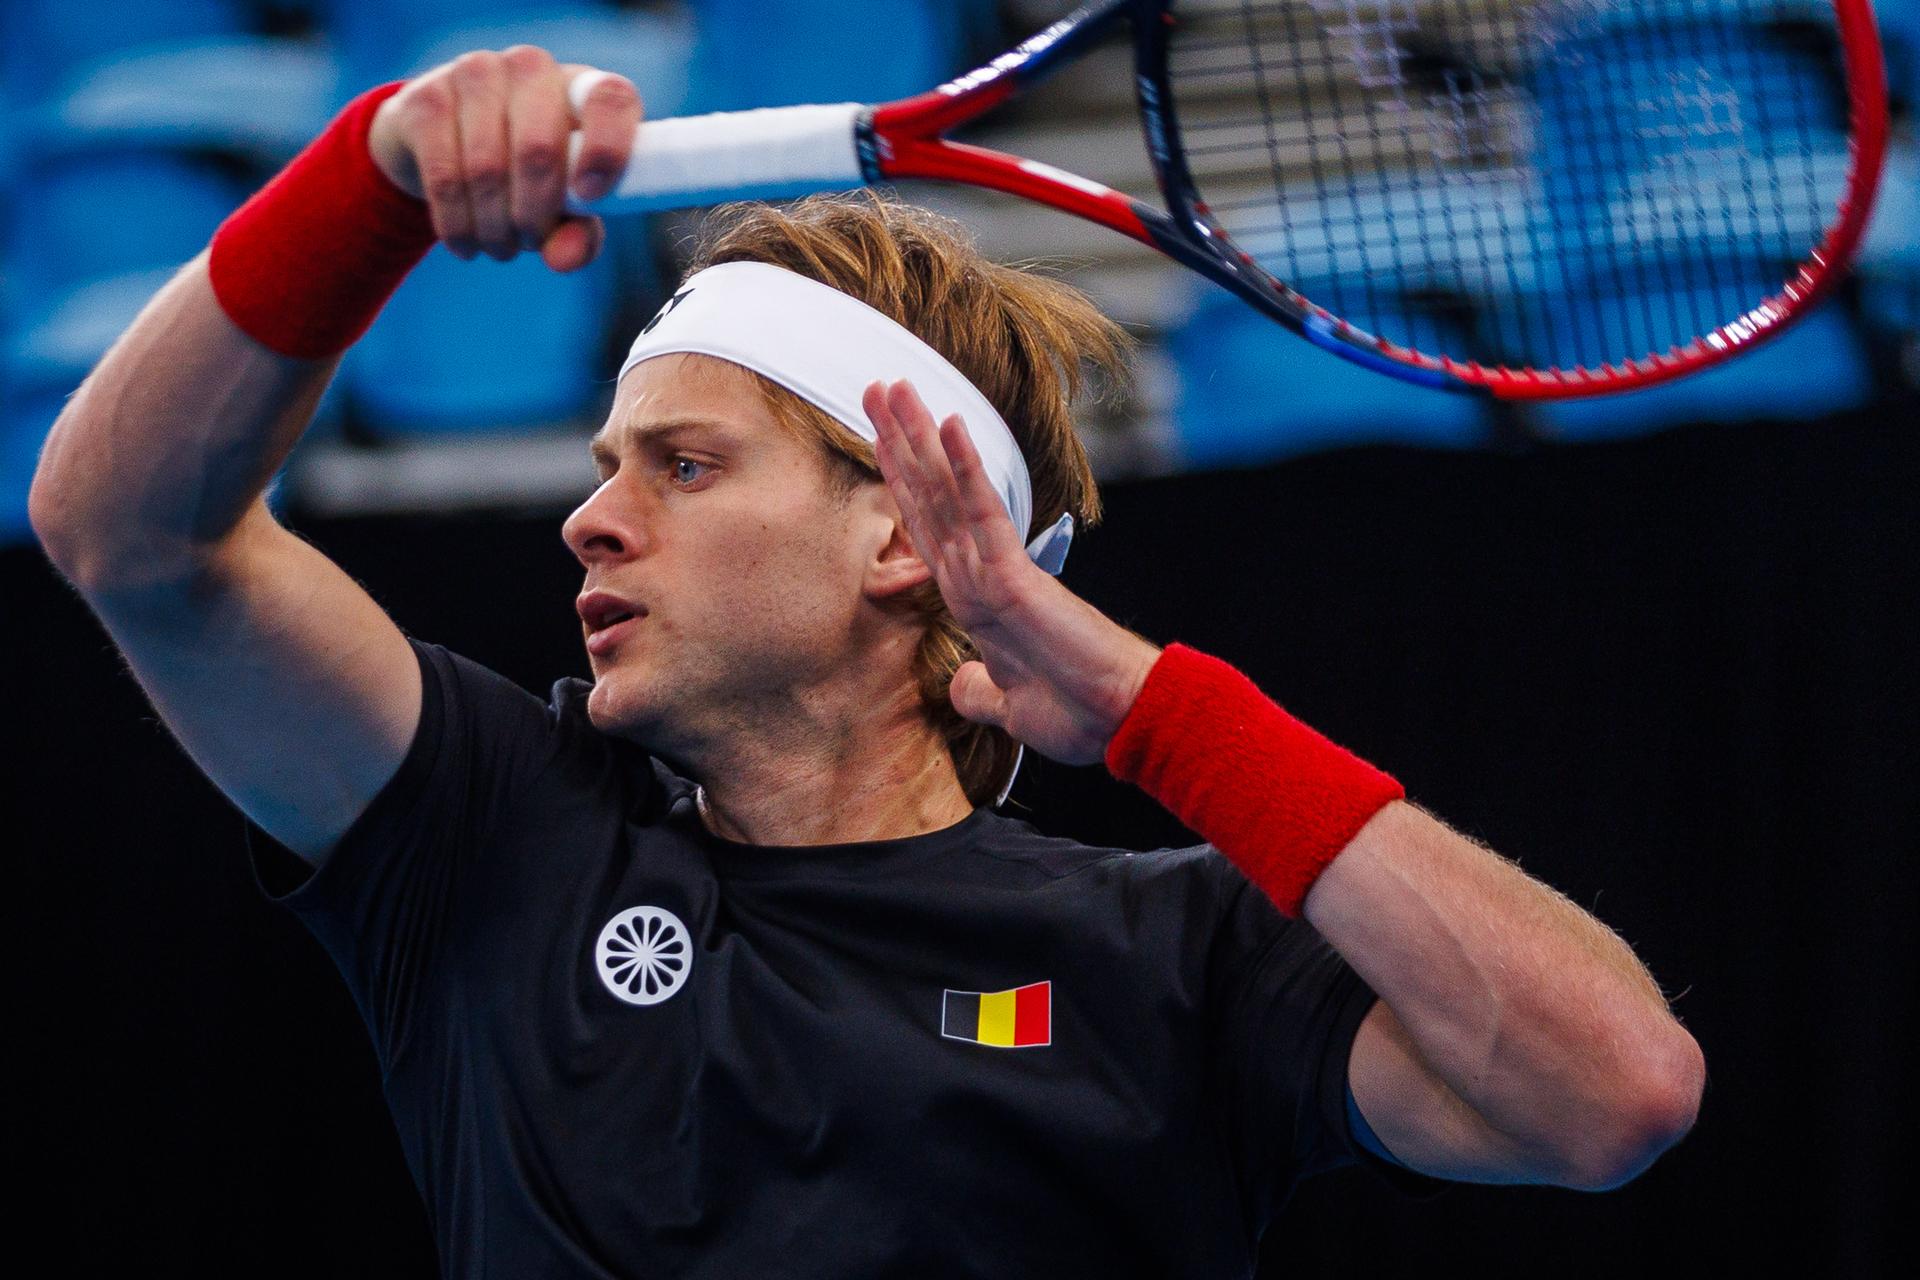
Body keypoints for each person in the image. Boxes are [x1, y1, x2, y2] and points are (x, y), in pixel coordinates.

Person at [28, 47, 1705, 1279]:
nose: (588, 526)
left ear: (902, 534)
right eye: (604, 466)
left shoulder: (1179, 953)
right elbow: (129, 536)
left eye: (680, 465)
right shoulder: (492, 830)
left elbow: (1612, 1094)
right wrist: (369, 181)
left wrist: (1155, 713)